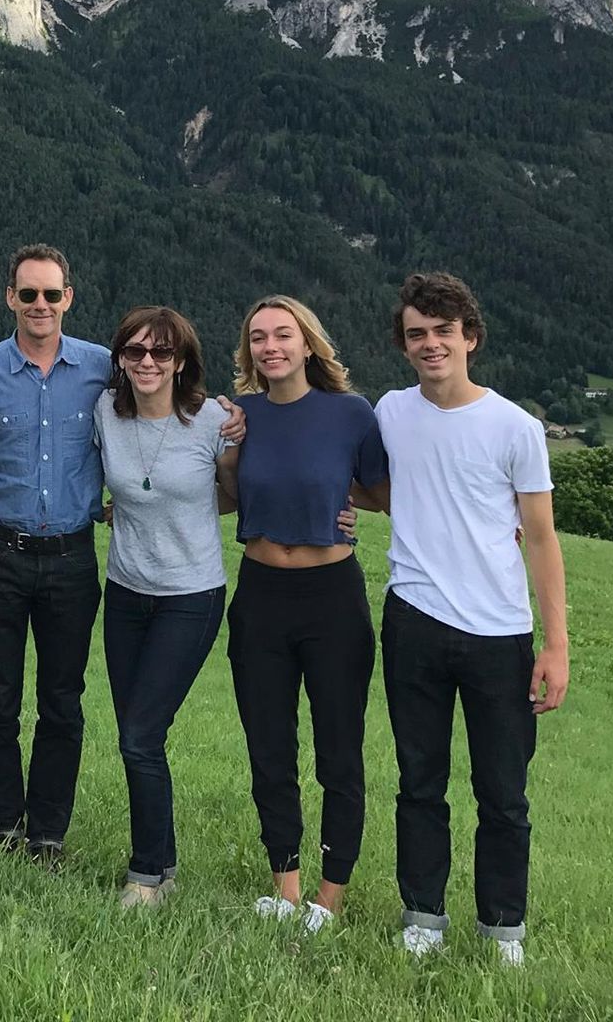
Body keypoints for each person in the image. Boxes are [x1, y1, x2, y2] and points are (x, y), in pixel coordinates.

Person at [0, 245, 246, 867]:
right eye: (28, 294)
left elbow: (167, 409)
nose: (40, 305)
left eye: (51, 295)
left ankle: (47, 835)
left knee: (63, 699)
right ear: (10, 297)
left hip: (72, 561)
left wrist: (235, 422)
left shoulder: (99, 370)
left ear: (69, 299)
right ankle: (2, 824)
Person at [370, 272, 569, 966]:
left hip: (499, 634)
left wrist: (557, 645)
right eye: (417, 334)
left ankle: (502, 929)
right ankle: (423, 915)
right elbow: (381, 484)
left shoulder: (515, 428)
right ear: (405, 344)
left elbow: (540, 537)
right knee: (419, 780)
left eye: (443, 333)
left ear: (470, 338)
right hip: (414, 622)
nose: (430, 345)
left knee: (503, 794)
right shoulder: (391, 412)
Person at [226, 295, 387, 933]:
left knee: (338, 751)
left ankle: (331, 898)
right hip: (260, 593)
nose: (271, 347)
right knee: (270, 746)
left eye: (283, 335)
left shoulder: (351, 414)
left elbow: (379, 493)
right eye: (258, 337)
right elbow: (230, 495)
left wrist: (349, 501)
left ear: (308, 344)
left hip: (332, 598)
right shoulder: (240, 415)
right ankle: (285, 891)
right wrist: (228, 451)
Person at [94, 306, 235, 907]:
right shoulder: (106, 411)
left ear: (183, 362)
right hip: (125, 593)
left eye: (162, 353)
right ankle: (164, 862)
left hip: (190, 596)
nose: (147, 363)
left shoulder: (215, 422)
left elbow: (234, 496)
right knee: (137, 734)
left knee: (140, 736)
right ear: (121, 359)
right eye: (135, 352)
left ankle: (147, 876)